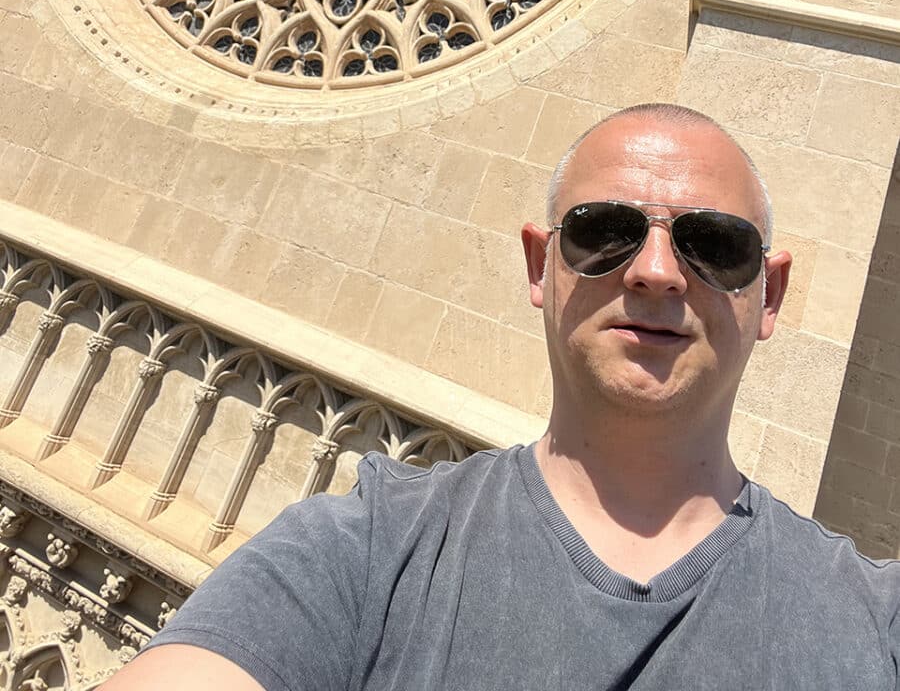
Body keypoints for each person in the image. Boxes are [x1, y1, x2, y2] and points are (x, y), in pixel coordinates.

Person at [102, 103, 900, 690]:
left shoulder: (876, 623)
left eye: (715, 245)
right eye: (603, 232)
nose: (656, 271)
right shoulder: (365, 551)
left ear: (770, 294)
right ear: (538, 267)